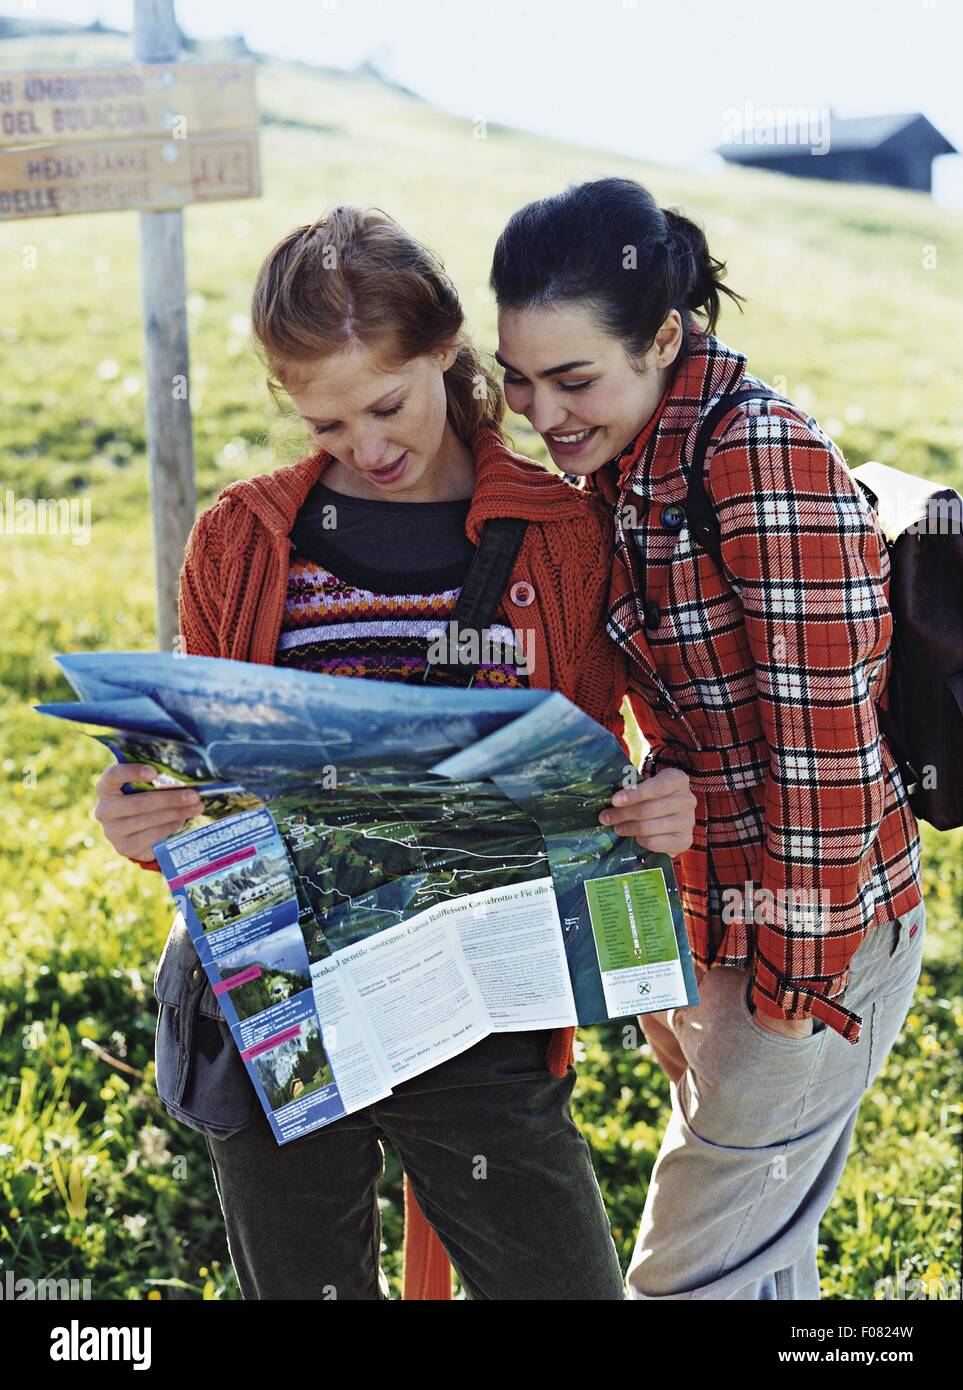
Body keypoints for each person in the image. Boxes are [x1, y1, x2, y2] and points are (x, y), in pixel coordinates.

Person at [92, 204, 696, 1301]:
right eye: (327, 425)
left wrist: (661, 802)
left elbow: (617, 753)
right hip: (280, 1003)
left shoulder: (563, 536)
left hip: (476, 1009)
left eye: (389, 403)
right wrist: (141, 815)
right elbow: (184, 774)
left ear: (445, 350)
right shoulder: (238, 539)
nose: (368, 447)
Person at [490, 176, 925, 1299]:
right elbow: (673, 725)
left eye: (573, 377)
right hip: (715, 921)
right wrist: (671, 965)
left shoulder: (753, 457)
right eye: (521, 380)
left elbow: (826, 752)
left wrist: (785, 995)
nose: (544, 413)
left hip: (818, 933)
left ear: (666, 338)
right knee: (764, 1263)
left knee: (684, 1278)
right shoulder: (620, 466)